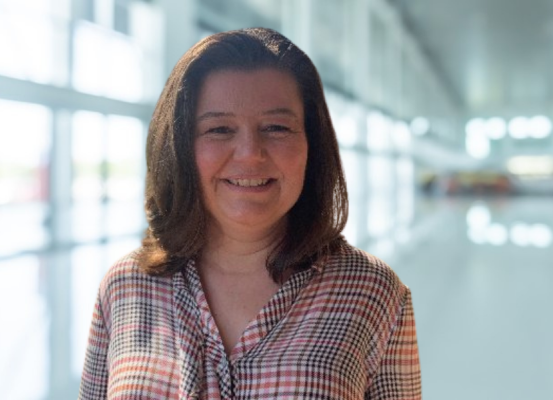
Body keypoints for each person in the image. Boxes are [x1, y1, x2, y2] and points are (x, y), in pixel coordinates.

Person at [79, 27, 421, 400]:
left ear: (313, 145)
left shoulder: (373, 292)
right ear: (179, 148)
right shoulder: (125, 286)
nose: (249, 153)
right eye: (219, 129)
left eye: (276, 127)